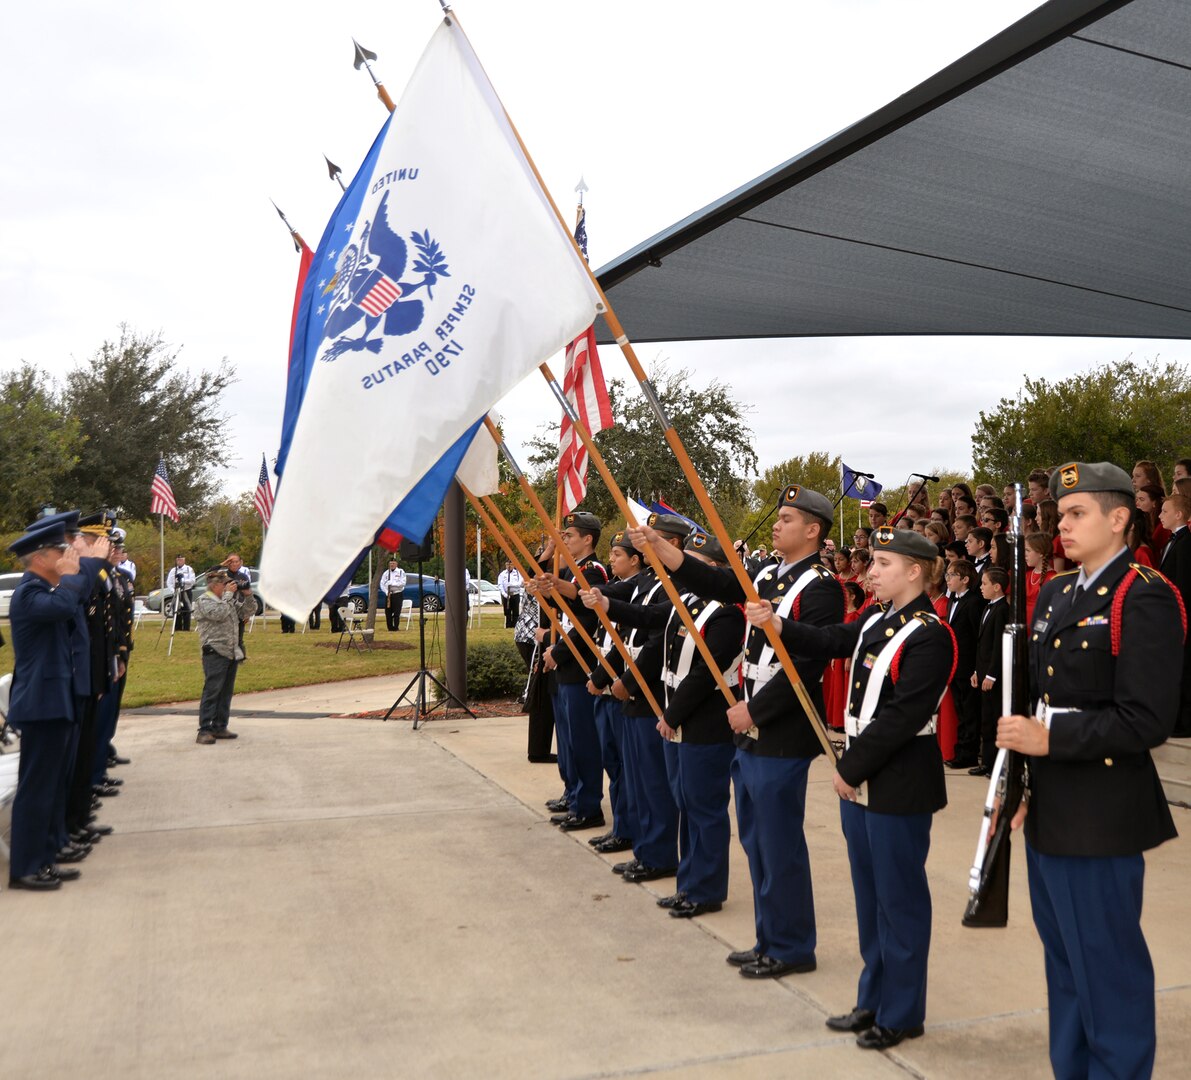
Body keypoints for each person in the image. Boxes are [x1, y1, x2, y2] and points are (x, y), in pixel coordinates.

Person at [998, 461, 1184, 1080]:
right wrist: (1022, 782)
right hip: (1051, 805)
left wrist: (1050, 741)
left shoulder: (1144, 593)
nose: (1063, 527)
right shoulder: (1056, 592)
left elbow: (1146, 719)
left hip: (1103, 812)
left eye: (1077, 514)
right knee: (1066, 966)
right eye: (1060, 515)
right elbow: (1041, 697)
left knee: (1108, 970)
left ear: (1120, 517)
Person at [745, 526, 953, 1051]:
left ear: (915, 570)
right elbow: (832, 639)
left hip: (898, 780)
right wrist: (778, 623)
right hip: (863, 777)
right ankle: (873, 998)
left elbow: (904, 716)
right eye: (872, 563)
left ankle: (902, 1012)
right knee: (869, 898)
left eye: (882, 564)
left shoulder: (931, 633)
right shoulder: (876, 619)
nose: (870, 572)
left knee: (899, 901)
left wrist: (849, 766)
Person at [630, 484, 843, 980]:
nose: (776, 523)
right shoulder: (768, 574)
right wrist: (662, 548)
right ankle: (771, 937)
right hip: (751, 727)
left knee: (777, 841)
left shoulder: (821, 586)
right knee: (755, 838)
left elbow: (807, 665)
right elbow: (720, 583)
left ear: (813, 530)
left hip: (780, 728)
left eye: (787, 518)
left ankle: (791, 945)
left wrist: (756, 711)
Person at [5, 518, 103, 890]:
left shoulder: (48, 588)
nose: (67, 556)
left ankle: (44, 858)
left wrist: (71, 576)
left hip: (53, 701)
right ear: (41, 557)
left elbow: (71, 604)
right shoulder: (30, 593)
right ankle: (26, 867)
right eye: (60, 552)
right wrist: (75, 573)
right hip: (40, 705)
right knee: (37, 789)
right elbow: (64, 607)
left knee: (50, 787)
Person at [588, 514, 688, 878]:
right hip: (632, 691)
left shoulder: (674, 584)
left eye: (654, 537)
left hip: (651, 692)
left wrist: (627, 682)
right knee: (634, 775)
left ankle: (659, 854)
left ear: (673, 544)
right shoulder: (648, 580)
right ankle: (644, 848)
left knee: (652, 781)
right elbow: (626, 627)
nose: (644, 543)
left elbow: (654, 637)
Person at [529, 511, 609, 832]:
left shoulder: (594, 572)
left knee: (583, 740)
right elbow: (561, 616)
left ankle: (587, 805)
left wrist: (558, 651)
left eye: (570, 536)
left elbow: (587, 622)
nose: (566, 542)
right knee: (568, 738)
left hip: (579, 663)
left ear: (588, 539)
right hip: (563, 660)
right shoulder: (571, 572)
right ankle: (574, 795)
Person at [581, 529, 647, 857]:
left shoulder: (639, 590)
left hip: (621, 688)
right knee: (613, 761)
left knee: (624, 767)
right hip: (607, 687)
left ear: (636, 560)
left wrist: (604, 677)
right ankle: (621, 826)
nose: (611, 559)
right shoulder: (625, 589)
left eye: (618, 555)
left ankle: (627, 829)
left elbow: (628, 645)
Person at [194, 568, 253, 744]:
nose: (230, 586)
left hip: (231, 652)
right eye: (225, 583)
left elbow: (248, 612)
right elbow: (218, 614)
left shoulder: (228, 601)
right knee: (212, 691)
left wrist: (248, 594)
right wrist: (228, 596)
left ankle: (220, 726)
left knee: (225, 692)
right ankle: (204, 729)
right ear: (215, 585)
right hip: (214, 652)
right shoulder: (203, 600)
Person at [944, 559, 983, 769]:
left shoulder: (974, 602)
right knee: (960, 709)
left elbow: (979, 636)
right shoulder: (952, 600)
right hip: (955, 664)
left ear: (965, 579)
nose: (947, 579)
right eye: (947, 575)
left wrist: (977, 668)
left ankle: (968, 753)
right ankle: (960, 750)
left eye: (952, 576)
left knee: (969, 711)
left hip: (968, 666)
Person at [970, 566, 1008, 777]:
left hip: (993, 675)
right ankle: (987, 762)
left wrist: (992, 674)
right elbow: (981, 644)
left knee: (994, 719)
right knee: (986, 720)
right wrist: (977, 670)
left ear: (997, 587)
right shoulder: (988, 607)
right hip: (983, 671)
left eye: (984, 584)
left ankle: (995, 764)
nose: (981, 587)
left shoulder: (1002, 609)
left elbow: (999, 645)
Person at [1159, 493, 1191, 736]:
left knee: (1184, 668)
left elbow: (1183, 584)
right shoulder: (1171, 542)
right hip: (1170, 614)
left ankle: (1185, 721)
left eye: (1165, 511)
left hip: (1180, 615)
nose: (1160, 515)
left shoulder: (1186, 543)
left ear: (1179, 514)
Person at [1023, 532, 1056, 625]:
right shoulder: (1027, 575)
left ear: (1040, 552)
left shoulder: (1052, 578)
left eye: (1028, 550)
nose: (1025, 554)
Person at [166, 554, 195, 631]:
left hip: (186, 591)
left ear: (184, 560)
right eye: (178, 560)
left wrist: (182, 581)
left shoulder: (189, 569)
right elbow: (169, 582)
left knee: (187, 610)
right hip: (176, 592)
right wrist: (173, 591)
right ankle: (177, 628)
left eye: (181, 560)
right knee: (176, 610)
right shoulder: (173, 570)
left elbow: (192, 581)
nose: (179, 561)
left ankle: (186, 628)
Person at [380, 557, 407, 632]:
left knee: (396, 612)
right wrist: (386, 592)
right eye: (390, 563)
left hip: (397, 594)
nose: (392, 565)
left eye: (393, 563)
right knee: (388, 612)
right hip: (388, 594)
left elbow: (402, 583)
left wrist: (392, 584)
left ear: (396, 564)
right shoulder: (386, 573)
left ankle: (396, 627)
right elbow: (382, 584)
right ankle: (390, 628)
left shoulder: (401, 572)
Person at [497, 560, 523, 629]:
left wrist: (512, 585)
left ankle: (515, 626)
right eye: (508, 565)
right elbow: (500, 585)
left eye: (511, 565)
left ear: (513, 565)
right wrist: (504, 594)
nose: (509, 566)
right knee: (507, 611)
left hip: (515, 594)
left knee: (515, 612)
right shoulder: (502, 574)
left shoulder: (517, 573)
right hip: (506, 595)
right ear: (505, 565)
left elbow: (520, 583)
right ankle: (508, 626)